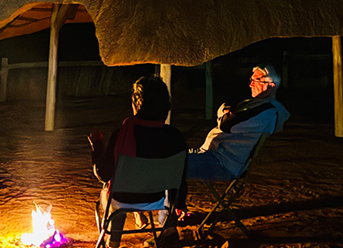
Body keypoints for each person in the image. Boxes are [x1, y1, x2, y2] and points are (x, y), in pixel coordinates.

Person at [89, 75, 187, 248]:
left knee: (108, 192)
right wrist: (179, 204)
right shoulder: (175, 137)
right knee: (164, 191)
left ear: (137, 104)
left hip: (123, 198)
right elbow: (180, 177)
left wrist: (97, 145)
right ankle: (168, 230)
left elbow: (103, 174)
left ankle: (113, 242)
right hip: (157, 199)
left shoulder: (122, 134)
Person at [187, 63, 289, 182]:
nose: (251, 84)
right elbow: (226, 109)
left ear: (271, 85)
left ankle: (168, 199)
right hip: (211, 154)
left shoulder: (266, 111)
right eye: (251, 80)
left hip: (221, 162)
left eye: (256, 80)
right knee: (170, 156)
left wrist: (225, 113)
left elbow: (227, 124)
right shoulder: (254, 105)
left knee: (170, 165)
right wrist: (226, 112)